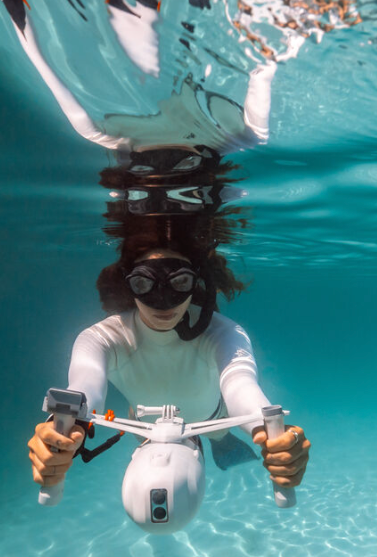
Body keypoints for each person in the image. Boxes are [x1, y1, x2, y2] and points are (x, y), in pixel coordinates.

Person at [27, 152, 311, 497]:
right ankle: (219, 442)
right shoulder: (101, 339)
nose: (163, 301)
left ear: (197, 284)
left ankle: (220, 443)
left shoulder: (223, 333)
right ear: (127, 285)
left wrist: (270, 434)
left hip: (213, 421)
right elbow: (86, 387)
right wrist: (59, 429)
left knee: (219, 435)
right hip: (145, 429)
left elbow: (241, 387)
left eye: (179, 283)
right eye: (145, 284)